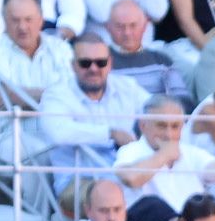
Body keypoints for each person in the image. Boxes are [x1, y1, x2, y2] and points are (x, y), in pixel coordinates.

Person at [40, 33, 152, 196]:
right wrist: (110, 133)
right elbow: (58, 132)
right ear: (73, 66)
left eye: (101, 62)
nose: (93, 69)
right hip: (78, 181)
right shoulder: (56, 93)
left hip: (123, 173)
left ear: (110, 64)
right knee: (121, 194)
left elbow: (157, 111)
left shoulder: (127, 87)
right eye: (85, 63)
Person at [0, 0, 76, 165]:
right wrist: (56, 97)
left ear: (41, 19)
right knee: (46, 157)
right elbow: (5, 97)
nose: (22, 27)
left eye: (28, 19)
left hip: (59, 131)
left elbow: (75, 95)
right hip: (12, 136)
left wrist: (27, 97)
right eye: (15, 20)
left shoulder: (61, 49)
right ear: (5, 21)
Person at [114, 94, 215, 221]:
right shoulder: (130, 151)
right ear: (143, 125)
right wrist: (164, 155)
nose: (168, 134)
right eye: (161, 126)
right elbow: (130, 178)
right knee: (153, 204)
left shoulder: (190, 152)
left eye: (175, 126)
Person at [106, 0, 192, 102]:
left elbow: (183, 100)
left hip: (156, 116)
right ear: (108, 27)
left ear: (145, 26)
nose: (127, 32)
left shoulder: (161, 60)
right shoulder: (99, 61)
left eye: (133, 25)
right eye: (120, 26)